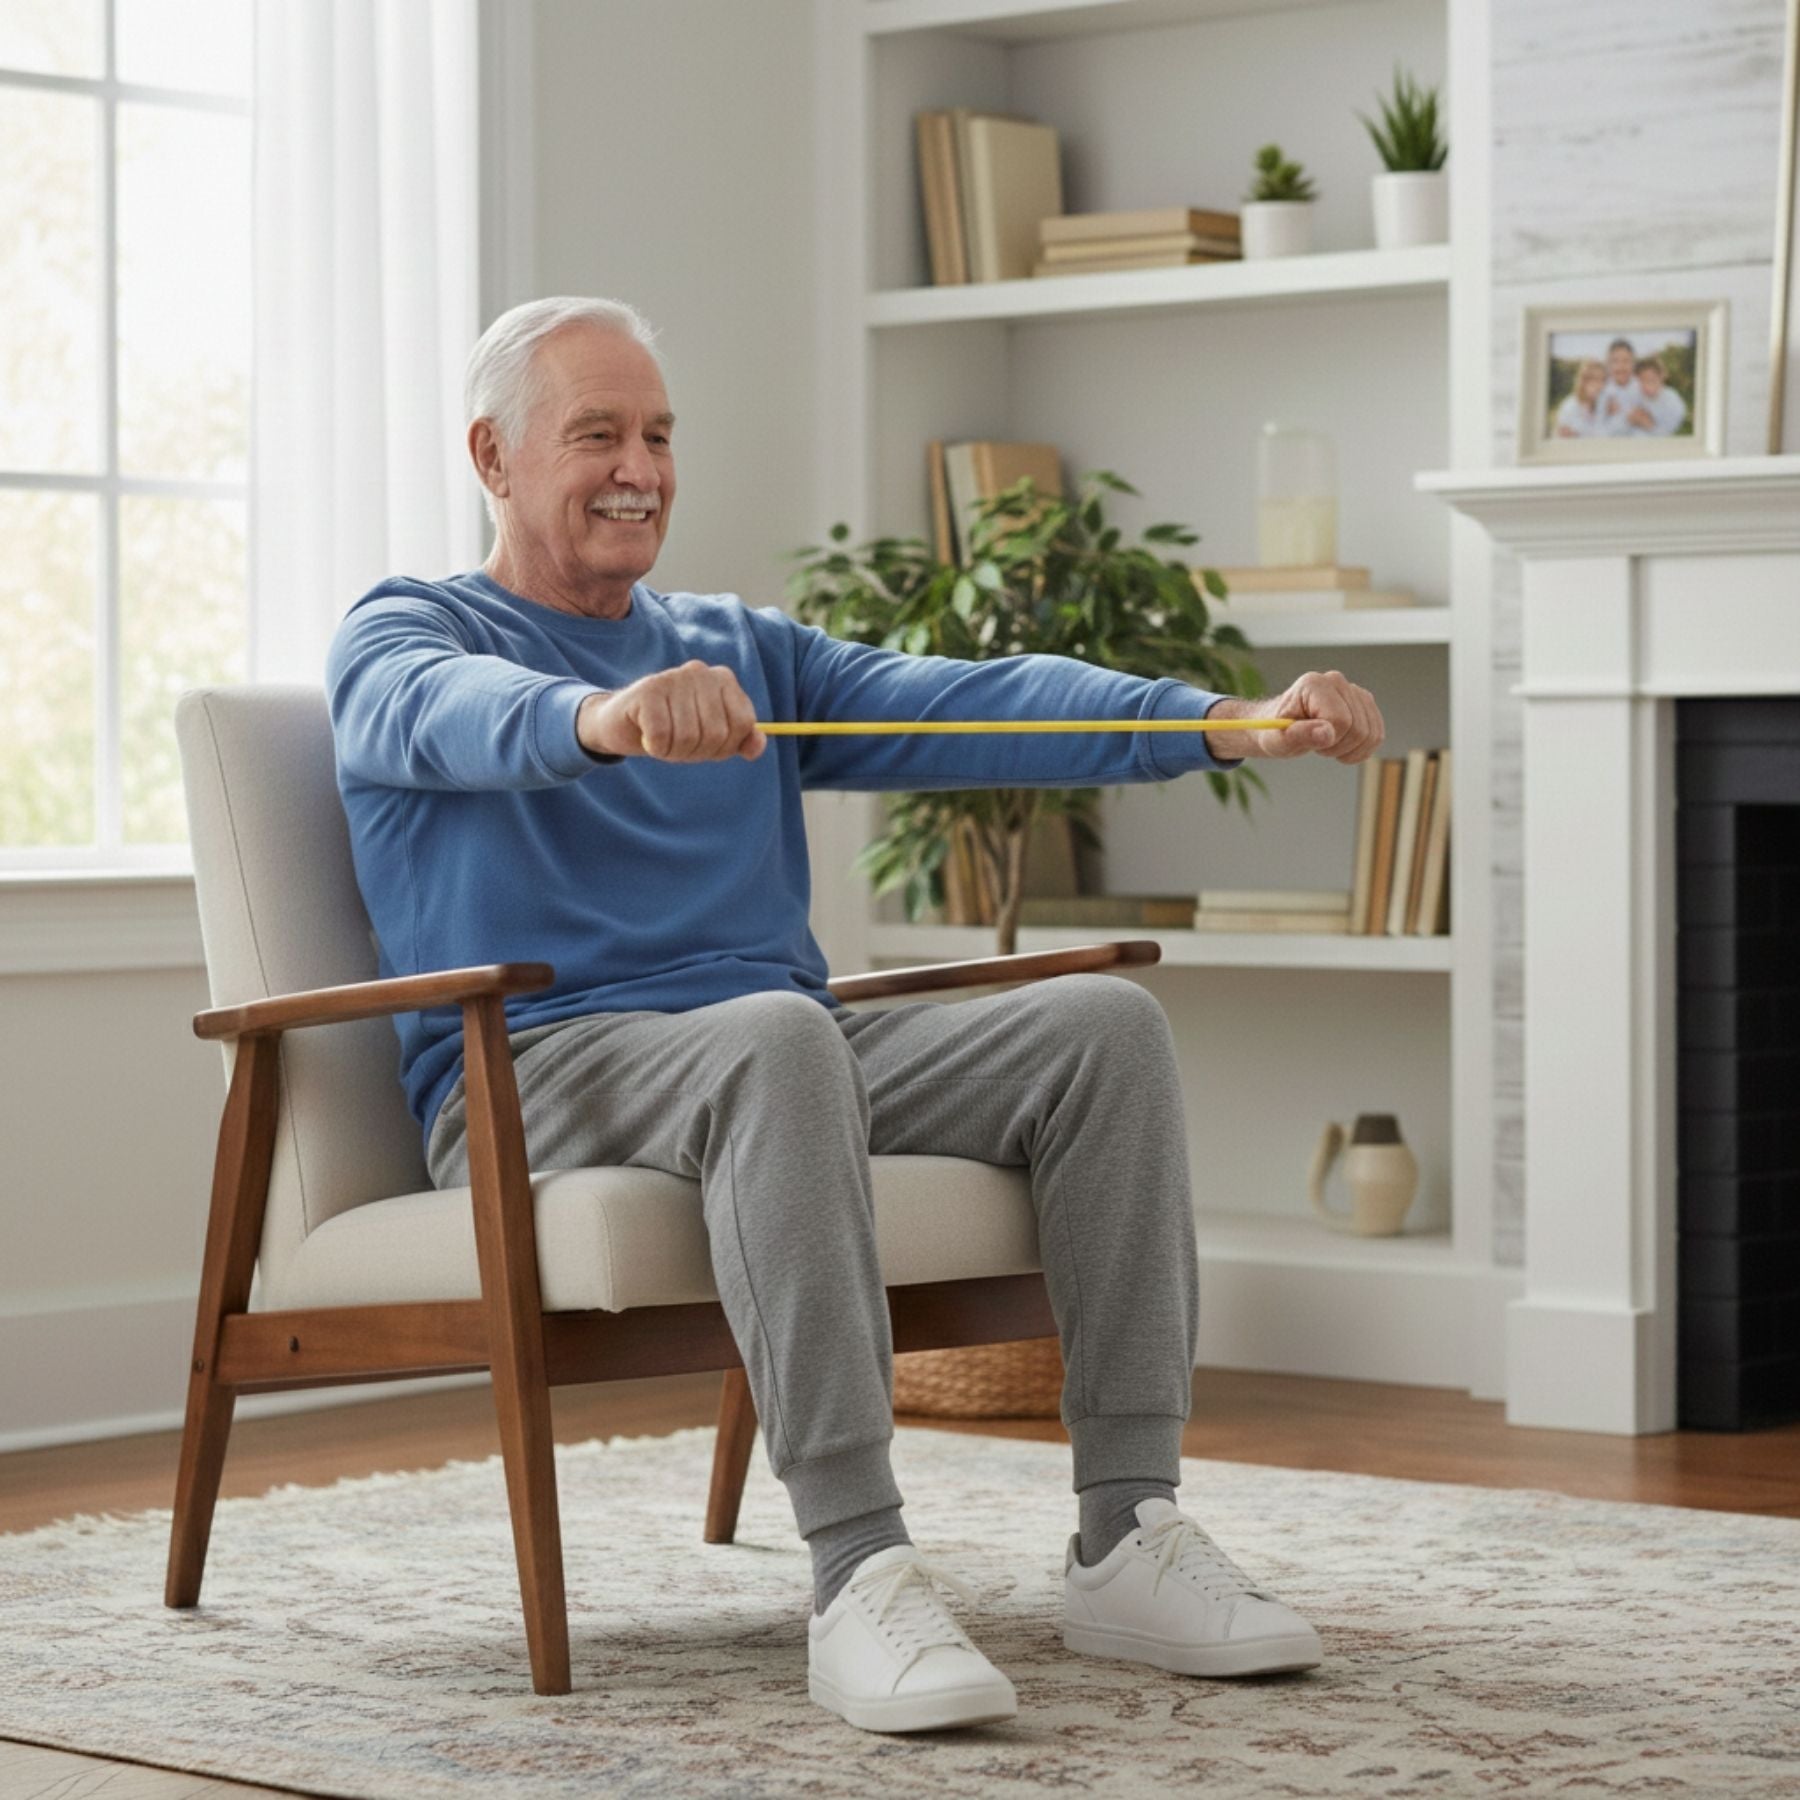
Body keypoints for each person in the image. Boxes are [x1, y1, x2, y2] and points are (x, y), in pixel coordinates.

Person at [325, 296, 1387, 1736]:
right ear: (493, 457)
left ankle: (1126, 1533)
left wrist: (1217, 720)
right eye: (596, 435)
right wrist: (601, 720)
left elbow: (970, 696)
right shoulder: (406, 629)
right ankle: (859, 1567)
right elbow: (439, 711)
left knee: (1100, 1029)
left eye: (656, 433)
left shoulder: (733, 648)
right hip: (538, 1066)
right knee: (778, 1036)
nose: (638, 465)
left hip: (774, 1045)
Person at [1624, 355, 1688, 436]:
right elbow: (1627, 418)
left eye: (1651, 380)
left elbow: (1667, 434)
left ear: (1661, 377)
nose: (1646, 386)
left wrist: (1648, 425)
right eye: (1641, 381)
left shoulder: (1672, 401)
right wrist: (1631, 418)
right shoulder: (1637, 395)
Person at [1595, 336, 1643, 435]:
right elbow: (1599, 429)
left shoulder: (1641, 386)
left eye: (1626, 361)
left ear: (1633, 364)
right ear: (1608, 365)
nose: (1621, 366)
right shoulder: (1603, 391)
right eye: (1615, 361)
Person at [1553, 357, 1608, 437]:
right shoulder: (1569, 408)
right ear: (1584, 381)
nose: (1601, 385)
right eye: (1596, 379)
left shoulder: (1601, 403)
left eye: (1602, 380)